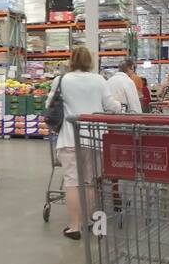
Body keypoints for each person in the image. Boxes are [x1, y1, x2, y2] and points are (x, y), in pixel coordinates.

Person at [47, 46, 118, 240]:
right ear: (90, 61)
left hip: (70, 136)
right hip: (95, 137)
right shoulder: (100, 80)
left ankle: (74, 227)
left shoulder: (61, 80)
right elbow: (112, 106)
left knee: (72, 181)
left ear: (71, 60)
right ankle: (89, 222)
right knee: (89, 181)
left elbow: (49, 105)